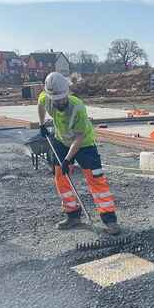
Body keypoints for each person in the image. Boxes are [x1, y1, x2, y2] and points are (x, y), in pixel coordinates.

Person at [38, 72, 120, 234]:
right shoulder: (46, 98)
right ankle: (73, 215)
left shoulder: (78, 107)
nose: (59, 102)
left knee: (96, 179)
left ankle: (110, 220)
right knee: (60, 177)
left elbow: (79, 137)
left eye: (62, 98)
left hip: (84, 144)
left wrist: (68, 160)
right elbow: (40, 104)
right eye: (56, 99)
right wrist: (41, 124)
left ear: (67, 92)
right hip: (61, 140)